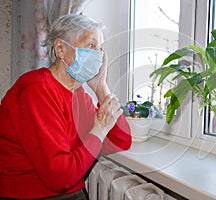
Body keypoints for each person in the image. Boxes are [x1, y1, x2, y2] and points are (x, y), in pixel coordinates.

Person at [0, 14, 132, 199]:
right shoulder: (36, 89)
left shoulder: (77, 93)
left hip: (68, 191)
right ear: (60, 49)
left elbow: (121, 140)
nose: (98, 55)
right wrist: (100, 129)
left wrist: (101, 87)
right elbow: (60, 177)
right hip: (32, 195)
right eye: (91, 45)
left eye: (100, 49)